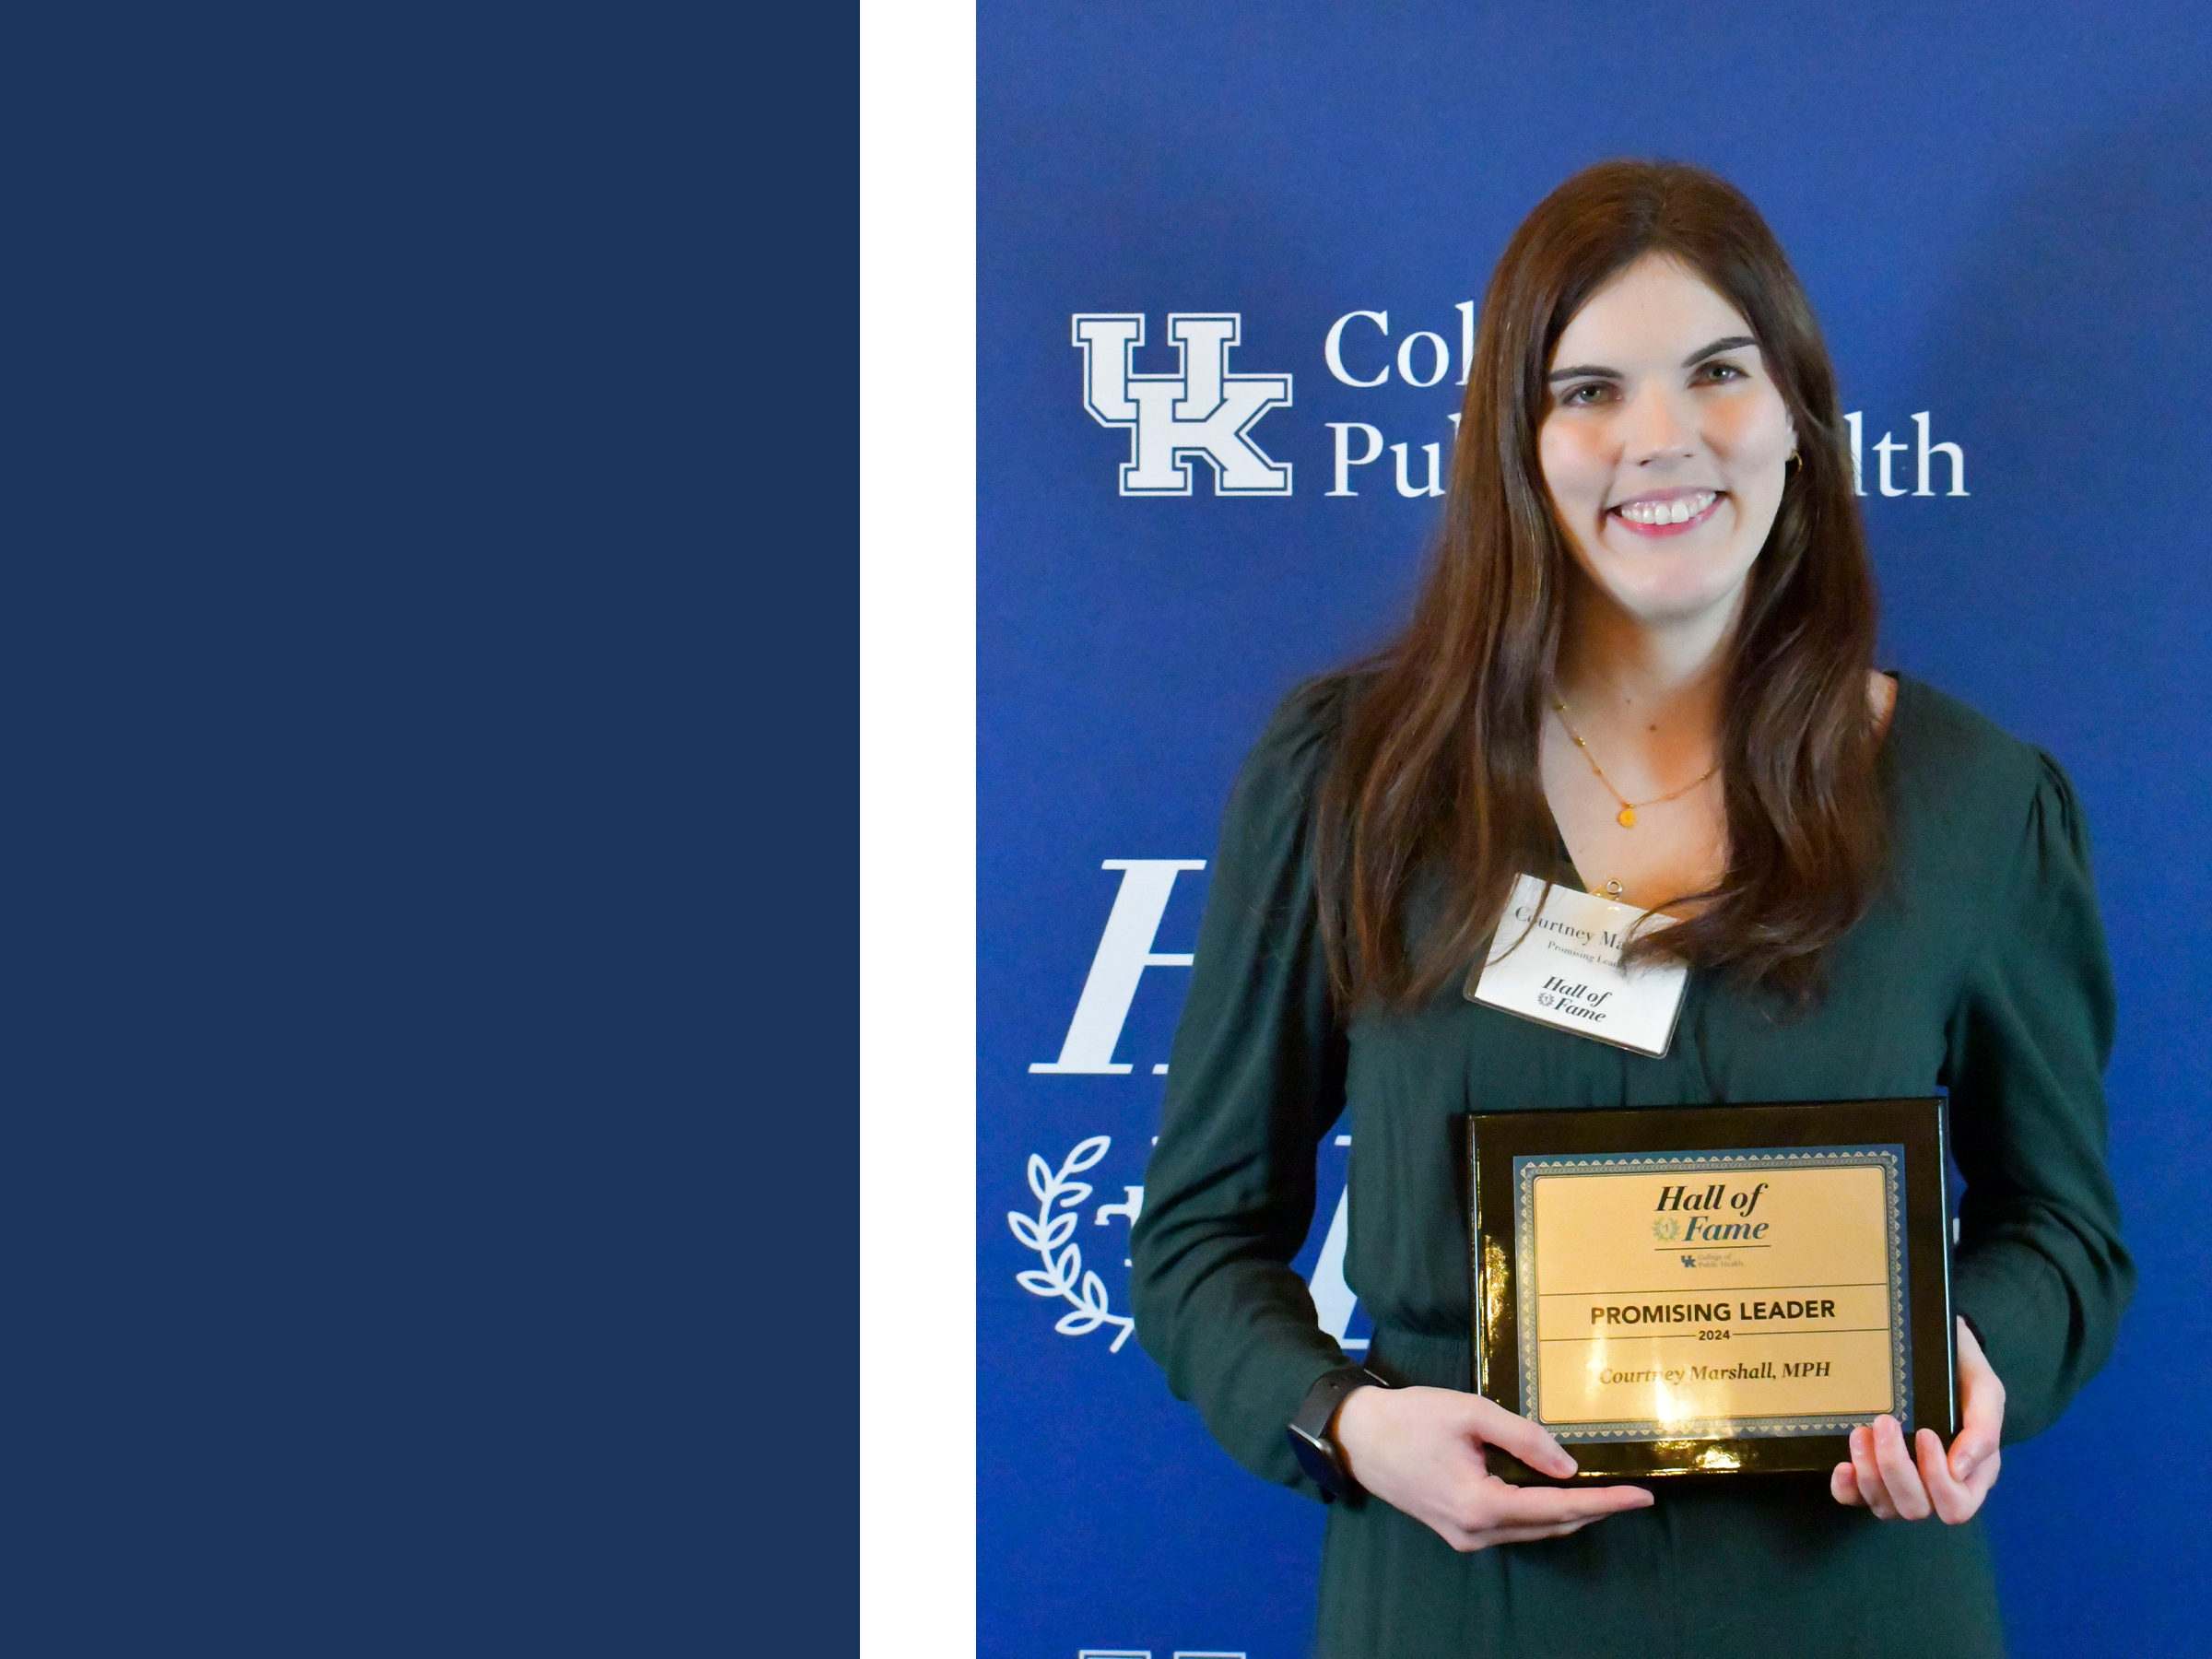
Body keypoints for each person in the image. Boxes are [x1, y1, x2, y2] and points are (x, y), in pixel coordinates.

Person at [1127, 159, 2131, 1659]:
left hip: (1851, 1605)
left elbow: (2062, 1225)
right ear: (1516, 448)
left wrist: (1979, 1354)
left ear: (1797, 414)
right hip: (1463, 1613)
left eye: (1717, 372)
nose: (1659, 439)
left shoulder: (1979, 800)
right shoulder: (1352, 780)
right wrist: (1348, 1425)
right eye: (1587, 389)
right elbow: (1200, 1238)